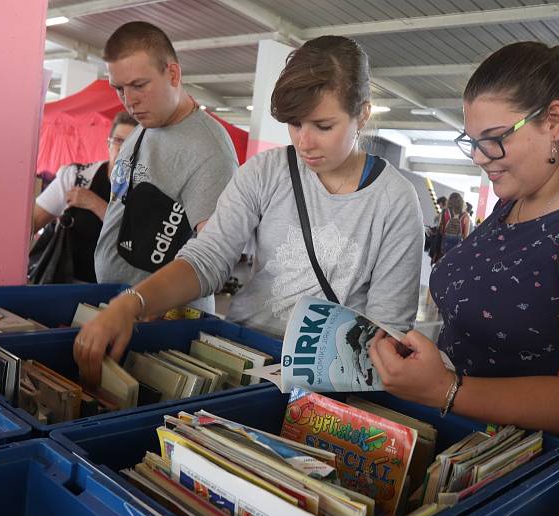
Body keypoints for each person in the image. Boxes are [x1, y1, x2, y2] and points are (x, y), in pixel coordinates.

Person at [369, 41, 559, 470]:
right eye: (472, 141)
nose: (480, 157)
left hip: (552, 478)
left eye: (494, 139)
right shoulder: (511, 205)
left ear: (553, 121)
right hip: (473, 457)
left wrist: (447, 390)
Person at [75, 35, 424, 387]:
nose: (304, 142)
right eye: (295, 123)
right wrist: (134, 302)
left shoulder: (394, 201)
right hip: (241, 355)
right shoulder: (266, 171)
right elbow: (208, 256)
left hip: (332, 379)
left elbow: (387, 330)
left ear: (361, 114)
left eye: (323, 126)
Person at [94, 21, 238, 311]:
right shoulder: (145, 125)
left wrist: (137, 303)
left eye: (139, 85)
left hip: (165, 320)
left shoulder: (210, 150)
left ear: (172, 73)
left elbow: (214, 260)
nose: (129, 101)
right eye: (119, 88)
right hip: (119, 309)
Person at [32, 112, 138, 282]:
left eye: (131, 143)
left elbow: (137, 239)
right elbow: (33, 222)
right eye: (118, 140)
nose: (122, 148)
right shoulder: (77, 176)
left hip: (116, 290)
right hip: (65, 282)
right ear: (108, 144)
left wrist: (95, 204)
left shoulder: (147, 191)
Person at [438, 192, 471, 257]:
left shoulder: (445, 212)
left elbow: (441, 230)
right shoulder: (465, 216)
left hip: (445, 246)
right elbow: (465, 237)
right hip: (456, 248)